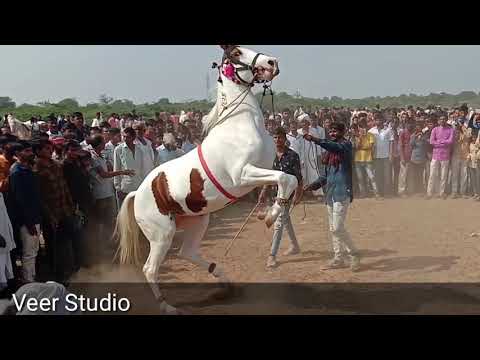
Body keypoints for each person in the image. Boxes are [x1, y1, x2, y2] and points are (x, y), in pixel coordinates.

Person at [303, 122, 360, 272]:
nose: (333, 134)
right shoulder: (329, 154)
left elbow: (334, 146)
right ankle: (338, 258)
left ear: (342, 132)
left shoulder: (345, 146)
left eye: (336, 131)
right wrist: (311, 187)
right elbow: (324, 176)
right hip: (330, 193)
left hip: (342, 192)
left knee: (337, 228)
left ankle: (354, 254)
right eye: (331, 132)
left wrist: (314, 139)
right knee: (332, 228)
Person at [257, 127, 303, 268]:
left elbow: (299, 178)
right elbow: (270, 175)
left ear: (285, 138)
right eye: (275, 138)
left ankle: (272, 255)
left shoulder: (293, 155)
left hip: (286, 195)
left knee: (279, 224)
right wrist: (264, 191)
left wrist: (298, 194)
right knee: (285, 220)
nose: (278, 140)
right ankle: (295, 246)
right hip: (275, 193)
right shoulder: (271, 155)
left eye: (280, 137)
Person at [86, 135, 135, 260]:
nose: (105, 144)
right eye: (103, 142)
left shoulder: (99, 156)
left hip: (107, 192)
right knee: (101, 222)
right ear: (99, 144)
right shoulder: (93, 158)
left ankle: (108, 245)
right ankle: (100, 248)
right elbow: (103, 174)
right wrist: (123, 172)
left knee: (109, 220)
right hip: (100, 194)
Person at [34, 140, 76, 282]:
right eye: (46, 149)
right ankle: (57, 275)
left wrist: (71, 205)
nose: (50, 151)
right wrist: (50, 216)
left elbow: (64, 186)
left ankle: (68, 270)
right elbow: (40, 197)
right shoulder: (37, 169)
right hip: (52, 213)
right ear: (38, 151)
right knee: (53, 245)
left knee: (66, 241)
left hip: (64, 209)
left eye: (50, 148)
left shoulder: (56, 165)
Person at [7, 141, 42, 283]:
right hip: (28, 220)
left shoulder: (26, 169)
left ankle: (32, 277)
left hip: (34, 216)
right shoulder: (17, 173)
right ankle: (29, 282)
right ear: (17, 154)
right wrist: (29, 223)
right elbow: (20, 201)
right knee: (29, 253)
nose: (30, 153)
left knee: (34, 251)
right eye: (26, 151)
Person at [114, 127, 145, 206]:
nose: (125, 139)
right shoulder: (119, 149)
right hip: (125, 187)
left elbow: (142, 168)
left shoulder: (139, 149)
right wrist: (118, 188)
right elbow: (116, 168)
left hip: (138, 186)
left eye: (128, 137)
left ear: (133, 137)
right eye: (124, 136)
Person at [426, 114, 455, 199]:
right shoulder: (435, 129)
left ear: (446, 120)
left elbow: (450, 141)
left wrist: (438, 142)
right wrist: (443, 142)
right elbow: (431, 141)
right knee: (432, 174)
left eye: (443, 119)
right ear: (438, 121)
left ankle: (441, 193)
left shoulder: (451, 130)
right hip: (435, 155)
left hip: (445, 156)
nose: (442, 121)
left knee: (443, 175)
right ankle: (429, 193)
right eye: (440, 119)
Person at [352, 119, 379, 198]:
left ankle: (376, 193)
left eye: (364, 127)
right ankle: (363, 193)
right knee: (360, 179)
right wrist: (360, 138)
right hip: (358, 159)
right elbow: (356, 147)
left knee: (371, 177)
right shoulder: (356, 136)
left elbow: (371, 146)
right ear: (358, 128)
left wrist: (362, 147)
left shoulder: (370, 135)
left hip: (368, 159)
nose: (362, 129)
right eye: (360, 127)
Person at [368, 114, 394, 197]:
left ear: (383, 120)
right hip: (376, 157)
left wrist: (391, 155)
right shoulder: (371, 131)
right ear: (374, 121)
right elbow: (369, 145)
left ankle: (387, 193)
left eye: (379, 119)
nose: (378, 121)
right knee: (377, 176)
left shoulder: (388, 130)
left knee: (387, 176)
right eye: (376, 120)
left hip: (386, 156)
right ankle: (378, 193)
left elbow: (391, 142)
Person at [450, 122, 470, 198]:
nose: (458, 126)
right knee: (455, 175)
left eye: (459, 124)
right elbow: (452, 142)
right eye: (456, 125)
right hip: (455, 155)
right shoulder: (453, 132)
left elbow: (469, 135)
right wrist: (456, 133)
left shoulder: (466, 132)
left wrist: (463, 128)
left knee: (464, 175)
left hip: (464, 156)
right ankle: (454, 192)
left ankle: (463, 192)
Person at [0, 192, 15, 293]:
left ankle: (7, 284)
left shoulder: (0, 194)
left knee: (6, 262)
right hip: (1, 237)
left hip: (5, 234)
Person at [409, 122, 429, 195]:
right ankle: (414, 190)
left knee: (421, 175)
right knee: (414, 175)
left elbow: (427, 144)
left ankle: (421, 190)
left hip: (422, 158)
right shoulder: (412, 135)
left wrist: (422, 138)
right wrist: (415, 137)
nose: (418, 128)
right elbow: (411, 144)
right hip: (414, 158)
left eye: (419, 127)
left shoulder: (425, 135)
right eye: (417, 127)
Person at [398, 122, 415, 197]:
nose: (410, 125)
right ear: (406, 124)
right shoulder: (402, 132)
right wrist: (402, 157)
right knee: (403, 175)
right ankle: (402, 191)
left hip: (412, 156)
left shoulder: (414, 133)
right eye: (408, 123)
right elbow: (400, 145)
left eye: (411, 123)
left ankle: (409, 190)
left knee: (410, 175)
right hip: (405, 156)